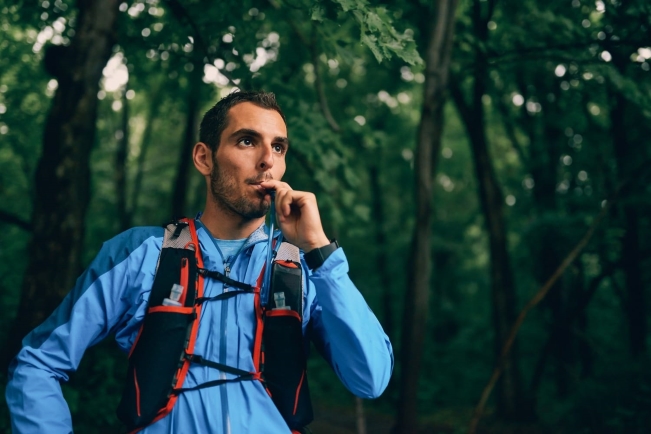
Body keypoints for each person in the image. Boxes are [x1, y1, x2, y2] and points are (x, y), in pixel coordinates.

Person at [5, 90, 393, 433]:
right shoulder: (141, 253)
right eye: (247, 141)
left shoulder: (306, 267)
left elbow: (370, 378)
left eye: (278, 147)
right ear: (204, 158)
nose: (267, 161)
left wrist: (319, 249)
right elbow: (37, 364)